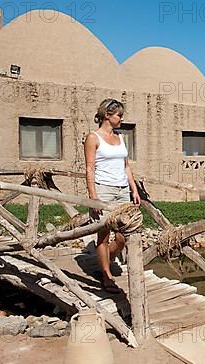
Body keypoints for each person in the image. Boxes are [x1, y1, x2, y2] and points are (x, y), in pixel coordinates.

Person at [84, 98, 141, 293]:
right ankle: (107, 276)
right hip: (103, 189)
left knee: (123, 235)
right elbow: (90, 168)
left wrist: (133, 189)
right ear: (107, 115)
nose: (122, 119)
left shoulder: (120, 137)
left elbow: (126, 166)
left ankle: (105, 259)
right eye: (119, 115)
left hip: (122, 190)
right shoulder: (93, 137)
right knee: (104, 234)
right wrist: (93, 195)